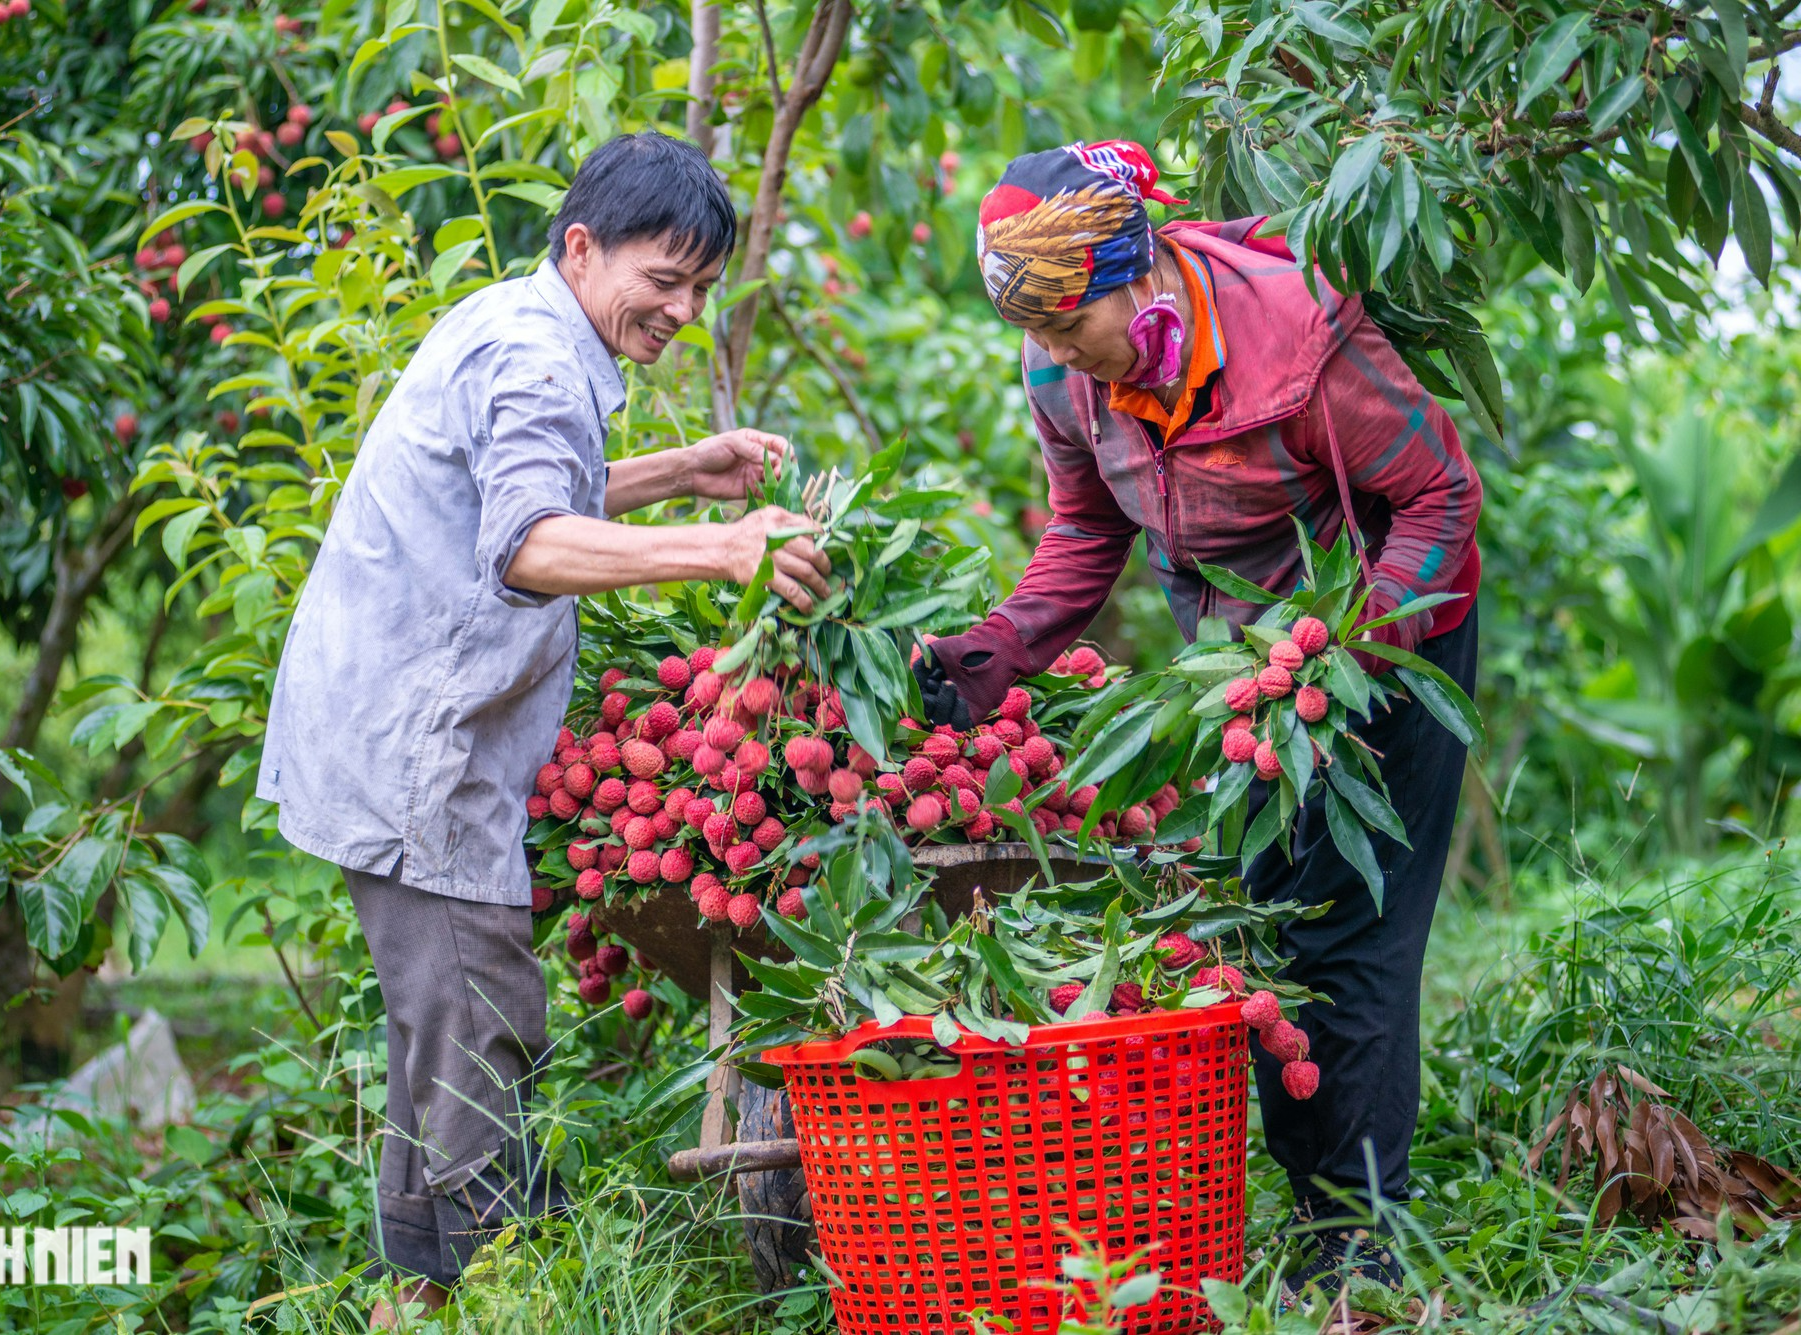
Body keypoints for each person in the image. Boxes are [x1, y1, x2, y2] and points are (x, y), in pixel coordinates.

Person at [256, 130, 831, 1328]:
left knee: (443, 1033)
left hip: (396, 723)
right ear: (581, 247)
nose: (678, 308)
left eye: (698, 288)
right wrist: (729, 547)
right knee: (483, 1027)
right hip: (422, 744)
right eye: (660, 279)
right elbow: (525, 541)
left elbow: (526, 486)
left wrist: (683, 471)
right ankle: (513, 1290)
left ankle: (414, 1301)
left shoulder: (518, 327)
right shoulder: (531, 357)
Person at [914, 139, 1483, 1299]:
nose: (1064, 358)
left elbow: (1439, 494)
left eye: (1076, 330)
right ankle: (1320, 1216)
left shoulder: (1292, 333)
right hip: (1234, 667)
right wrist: (994, 650)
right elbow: (1085, 533)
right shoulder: (1062, 374)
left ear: (1135, 277)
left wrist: (1354, 645)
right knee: (1267, 929)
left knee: (1354, 936)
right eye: (1047, 343)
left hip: (1381, 642)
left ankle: (1359, 1245)